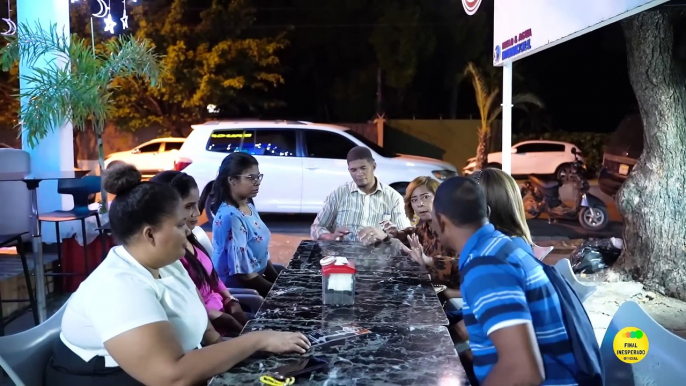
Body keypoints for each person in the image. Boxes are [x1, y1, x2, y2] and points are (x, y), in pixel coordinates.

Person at [47, 165, 309, 386]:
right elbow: (170, 376)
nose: (188, 232)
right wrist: (256, 340)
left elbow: (205, 329)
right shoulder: (119, 286)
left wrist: (236, 349)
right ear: (150, 234)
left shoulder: (168, 263)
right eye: (181, 224)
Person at [431, 176, 578, 386]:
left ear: (441, 221)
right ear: (487, 214)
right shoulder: (497, 247)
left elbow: (524, 372)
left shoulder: (487, 265)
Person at [151, 171, 248, 337]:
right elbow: (188, 306)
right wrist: (226, 320)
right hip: (212, 329)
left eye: (196, 204)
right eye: (188, 206)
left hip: (224, 315)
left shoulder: (190, 236)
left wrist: (231, 300)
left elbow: (213, 280)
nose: (197, 213)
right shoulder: (170, 254)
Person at [310, 146, 412, 244]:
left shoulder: (393, 198)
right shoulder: (338, 195)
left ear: (373, 166)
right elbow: (316, 228)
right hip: (343, 258)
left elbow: (406, 235)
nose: (359, 174)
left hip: (378, 257)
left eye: (363, 168)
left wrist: (385, 237)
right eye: (353, 170)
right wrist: (331, 237)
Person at [210, 152, 278, 297]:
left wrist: (279, 281)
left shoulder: (248, 206)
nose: (257, 182)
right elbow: (245, 276)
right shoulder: (231, 217)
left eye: (258, 177)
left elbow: (262, 256)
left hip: (257, 281)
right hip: (242, 292)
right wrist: (279, 293)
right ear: (232, 180)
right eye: (250, 178)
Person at [385, 176, 458, 293]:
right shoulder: (425, 228)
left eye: (426, 197)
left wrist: (429, 260)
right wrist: (397, 234)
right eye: (414, 200)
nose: (420, 204)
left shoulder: (455, 229)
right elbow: (413, 233)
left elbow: (466, 266)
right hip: (429, 291)